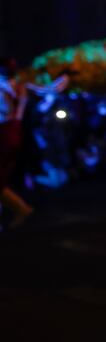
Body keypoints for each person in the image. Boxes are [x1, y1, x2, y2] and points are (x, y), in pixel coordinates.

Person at [0, 58, 67, 228]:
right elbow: (47, 89)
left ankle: (21, 208)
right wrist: (63, 78)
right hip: (16, 131)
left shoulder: (4, 85)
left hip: (5, 132)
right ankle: (20, 208)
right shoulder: (21, 85)